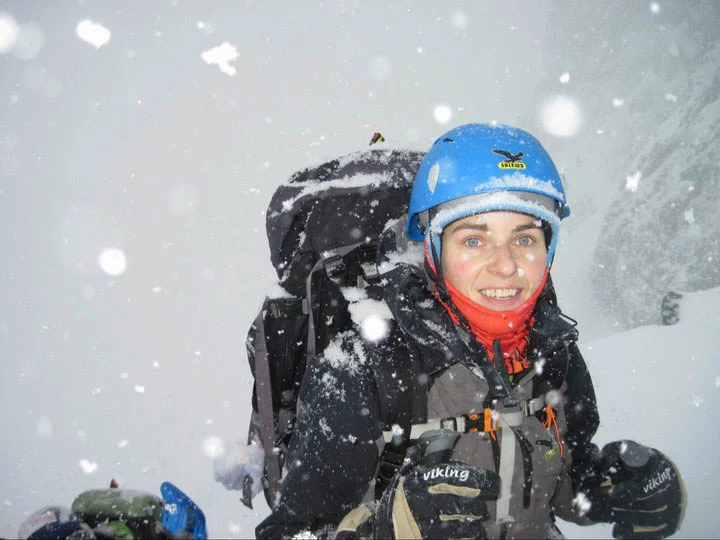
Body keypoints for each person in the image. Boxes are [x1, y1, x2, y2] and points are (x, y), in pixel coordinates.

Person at [252, 123, 685, 539]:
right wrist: (382, 530)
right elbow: (291, 533)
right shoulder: (362, 369)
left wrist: (614, 488)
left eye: (526, 238)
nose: (505, 264)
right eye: (474, 240)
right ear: (433, 249)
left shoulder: (552, 352)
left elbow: (556, 478)